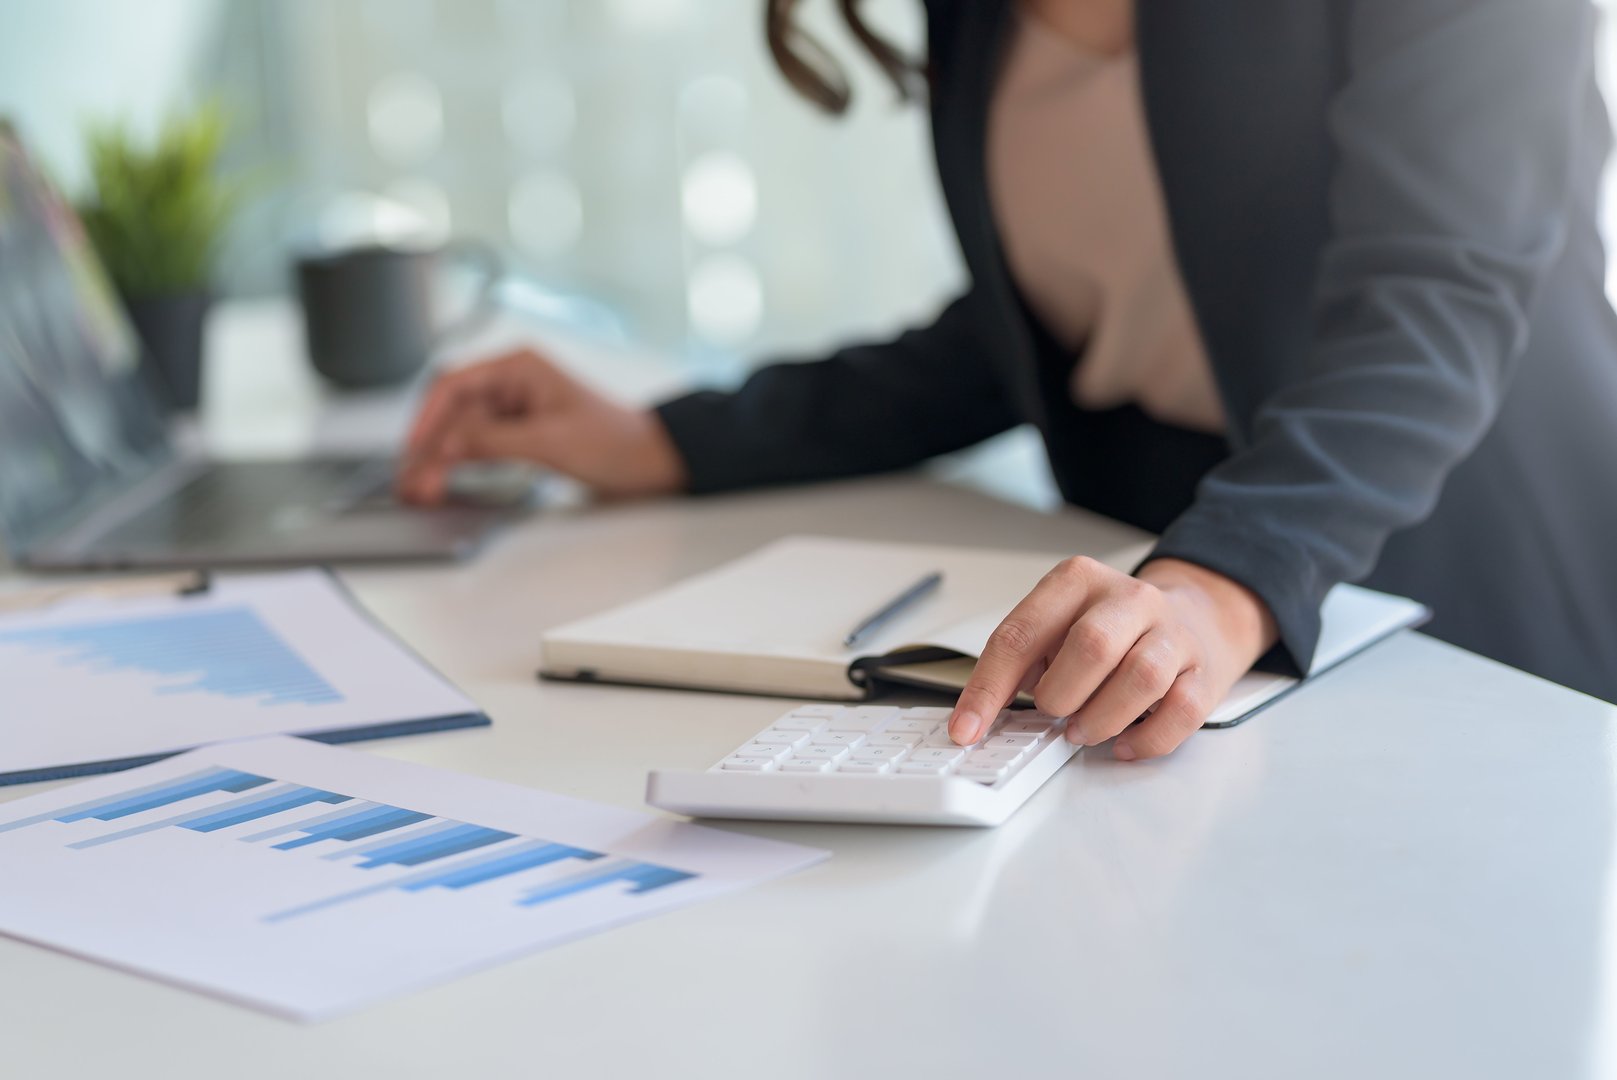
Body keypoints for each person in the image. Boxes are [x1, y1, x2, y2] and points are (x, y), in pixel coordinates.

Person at [399, 0, 1617, 759]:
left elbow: (1439, 293)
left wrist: (1227, 579)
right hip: (1178, 663)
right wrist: (671, 440)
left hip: (1472, 615)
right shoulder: (979, 14)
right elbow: (1022, 328)